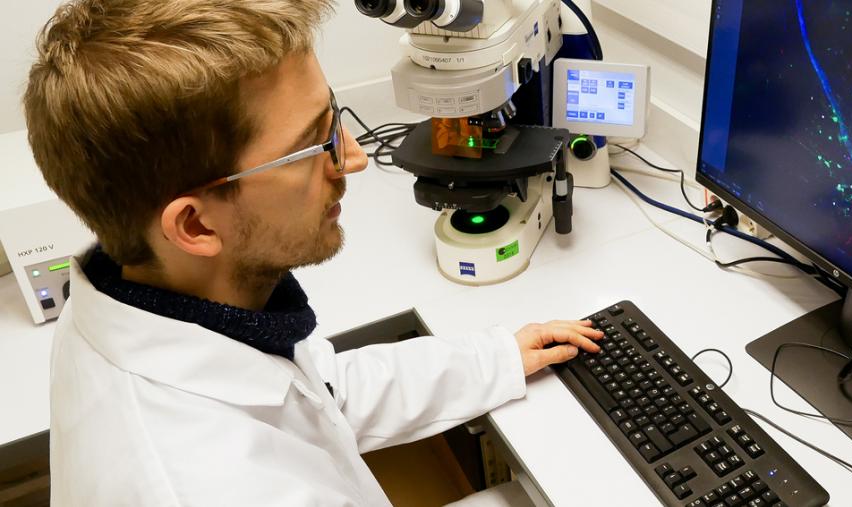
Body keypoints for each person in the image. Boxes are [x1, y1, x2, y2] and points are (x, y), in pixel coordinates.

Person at [23, 0, 602, 504]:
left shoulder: (133, 296)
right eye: (313, 145)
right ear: (195, 226)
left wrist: (494, 360)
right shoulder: (217, 486)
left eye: (336, 123)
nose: (354, 159)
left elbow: (317, 393)